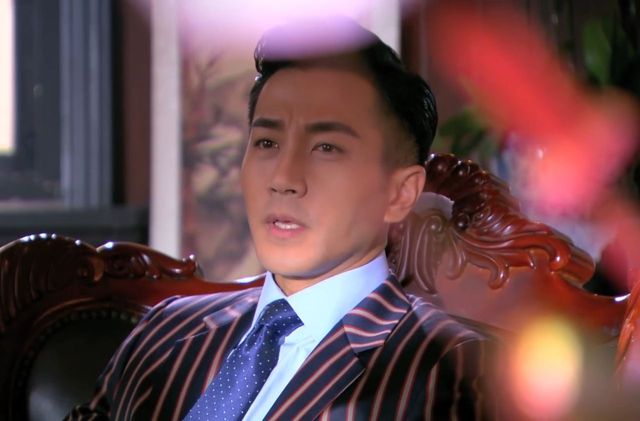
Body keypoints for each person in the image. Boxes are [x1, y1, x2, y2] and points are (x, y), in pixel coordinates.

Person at [67, 17, 496, 420]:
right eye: (267, 143)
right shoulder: (164, 332)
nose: (284, 179)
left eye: (326, 148)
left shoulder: (455, 369)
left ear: (400, 194)